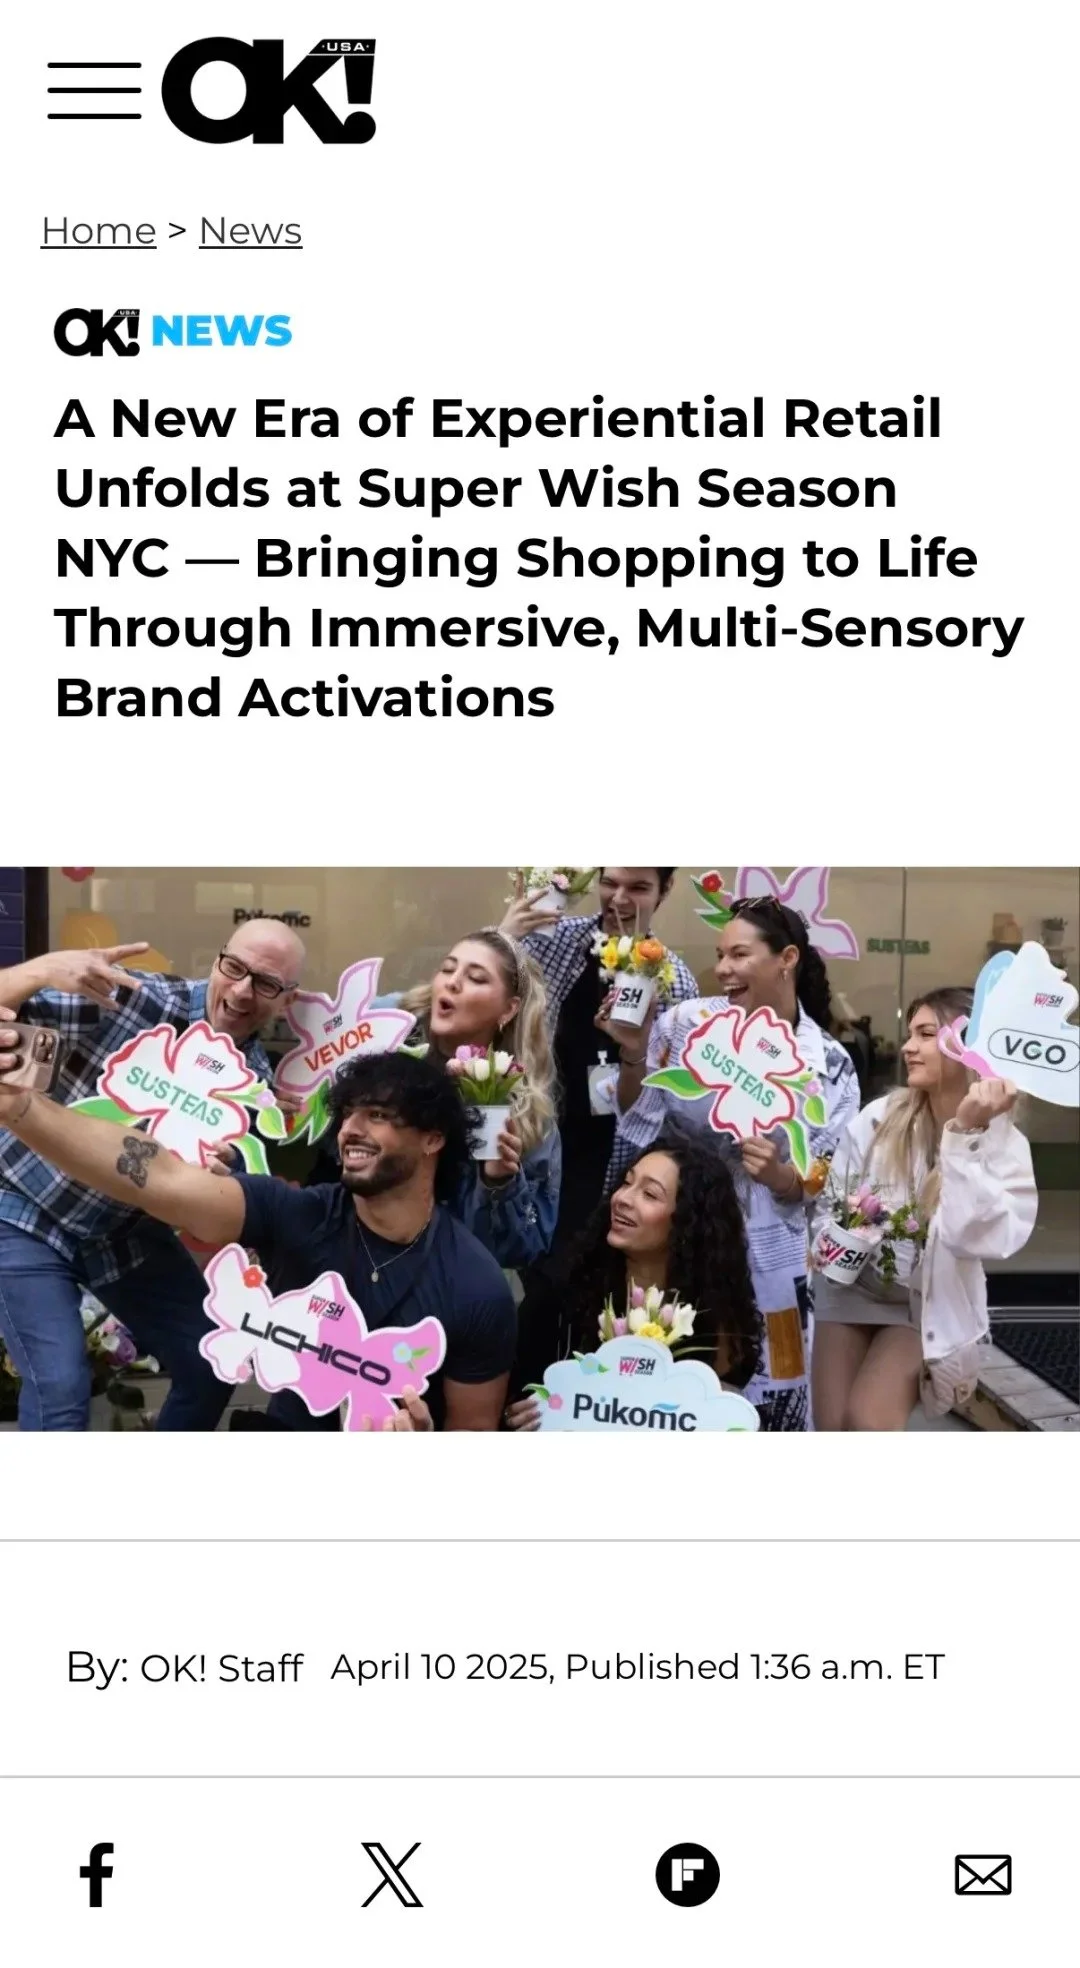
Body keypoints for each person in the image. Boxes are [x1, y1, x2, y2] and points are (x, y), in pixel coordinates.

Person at [0, 1038, 516, 1432]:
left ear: (433, 1139)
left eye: (377, 1116)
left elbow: (472, 1437)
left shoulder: (474, 1286)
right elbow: (162, 1178)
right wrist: (18, 1107)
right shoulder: (299, 1214)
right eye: (347, 1114)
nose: (350, 1130)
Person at [0, 922, 306, 1431]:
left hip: (121, 1233)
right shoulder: (132, 998)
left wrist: (220, 1177)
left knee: (211, 1363)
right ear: (217, 960)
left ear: (288, 999)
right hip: (23, 1204)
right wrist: (42, 970)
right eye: (234, 968)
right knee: (59, 1390)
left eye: (267, 984)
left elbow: (217, 1198)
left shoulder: (254, 1084)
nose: (241, 991)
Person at [610, 896, 860, 1430]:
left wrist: (783, 1178)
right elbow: (637, 1118)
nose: (723, 969)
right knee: (665, 1382)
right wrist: (633, 1052)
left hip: (772, 1253)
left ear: (787, 959)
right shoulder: (687, 1024)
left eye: (739, 955)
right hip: (679, 1233)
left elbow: (829, 1175)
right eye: (720, 955)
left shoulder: (829, 1063)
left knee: (772, 1387)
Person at [810, 988, 1036, 1430]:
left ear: (968, 1048)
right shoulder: (879, 1118)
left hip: (924, 1305)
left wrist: (964, 1134)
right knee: (833, 1429)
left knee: (868, 1421)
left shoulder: (1002, 1144)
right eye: (911, 1033)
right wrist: (836, 1240)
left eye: (926, 1034)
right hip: (848, 1289)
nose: (908, 1047)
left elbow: (977, 1238)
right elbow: (830, 1203)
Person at [314, 928, 561, 1268]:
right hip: (347, 1259)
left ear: (509, 1009)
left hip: (448, 1282)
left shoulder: (523, 1113)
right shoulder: (382, 1039)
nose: (453, 982)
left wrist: (499, 1184)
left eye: (476, 978)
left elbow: (523, 1249)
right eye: (447, 969)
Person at [500, 867, 698, 1258]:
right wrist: (504, 936)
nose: (619, 899)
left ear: (664, 890)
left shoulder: (674, 983)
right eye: (610, 883)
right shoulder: (552, 939)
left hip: (608, 1161)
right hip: (535, 1141)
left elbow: (657, 1110)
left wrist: (634, 1050)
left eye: (638, 888)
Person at [506, 1131, 763, 1426]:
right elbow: (514, 1400)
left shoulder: (715, 1319)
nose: (623, 1199)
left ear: (689, 1221)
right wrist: (516, 1419)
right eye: (627, 1183)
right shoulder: (560, 1295)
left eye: (649, 1194)